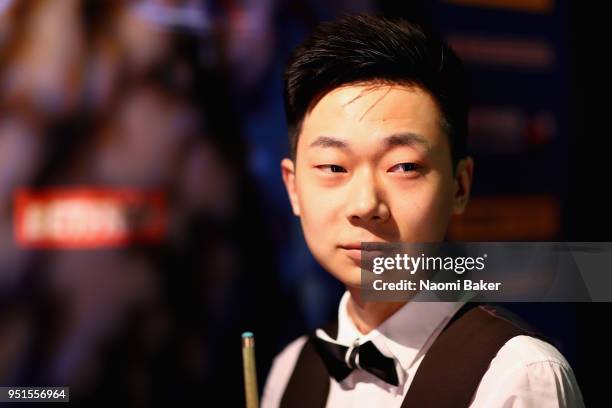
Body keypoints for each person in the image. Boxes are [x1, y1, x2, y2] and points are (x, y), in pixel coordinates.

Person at [262, 13, 584, 407]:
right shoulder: (291, 368)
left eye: (403, 167)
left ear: (460, 186)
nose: (366, 205)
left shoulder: (516, 376)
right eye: (333, 167)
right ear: (293, 187)